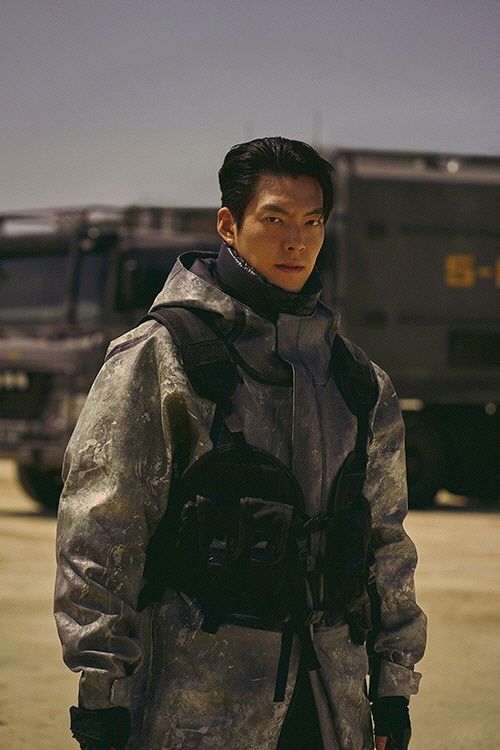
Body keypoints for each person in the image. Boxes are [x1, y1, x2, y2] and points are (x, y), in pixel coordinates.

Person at [54, 136, 427, 750]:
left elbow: (386, 543)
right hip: (194, 705)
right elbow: (101, 533)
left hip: (331, 706)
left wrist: (392, 689)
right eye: (275, 220)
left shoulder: (357, 381)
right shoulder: (159, 359)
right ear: (228, 225)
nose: (296, 241)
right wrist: (103, 697)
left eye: (312, 223)